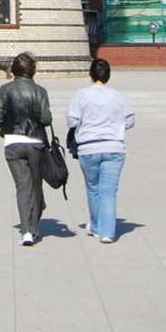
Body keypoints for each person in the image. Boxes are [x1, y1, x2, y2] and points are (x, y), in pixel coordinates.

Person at [66, 57, 136, 244]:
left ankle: (96, 225)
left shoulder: (81, 95)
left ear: (91, 75)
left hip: (88, 147)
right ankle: (107, 232)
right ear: (108, 76)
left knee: (93, 188)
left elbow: (72, 121)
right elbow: (130, 121)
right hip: (114, 146)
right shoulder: (118, 96)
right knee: (109, 191)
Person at [0, 51, 52, 247]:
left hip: (13, 142)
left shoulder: (5, 90)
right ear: (33, 71)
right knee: (36, 185)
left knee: (22, 187)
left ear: (13, 70)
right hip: (35, 142)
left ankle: (26, 230)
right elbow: (45, 119)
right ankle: (33, 225)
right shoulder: (40, 91)